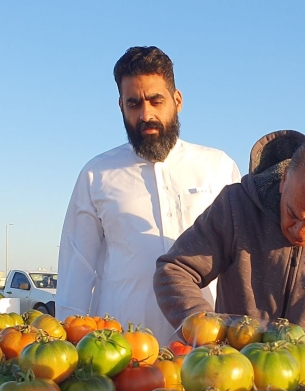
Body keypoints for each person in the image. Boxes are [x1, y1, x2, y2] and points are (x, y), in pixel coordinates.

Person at [56, 46, 241, 343]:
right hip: (120, 353)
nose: (146, 114)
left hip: (207, 351)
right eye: (134, 104)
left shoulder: (218, 167)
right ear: (121, 106)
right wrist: (66, 343)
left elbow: (241, 261)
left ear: (177, 100)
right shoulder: (96, 174)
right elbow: (76, 266)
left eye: (157, 101)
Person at [154, 131, 305, 360]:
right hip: (228, 372)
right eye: (293, 213)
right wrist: (205, 330)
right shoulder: (235, 207)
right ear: (284, 179)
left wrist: (296, 360)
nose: (301, 231)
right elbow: (175, 270)